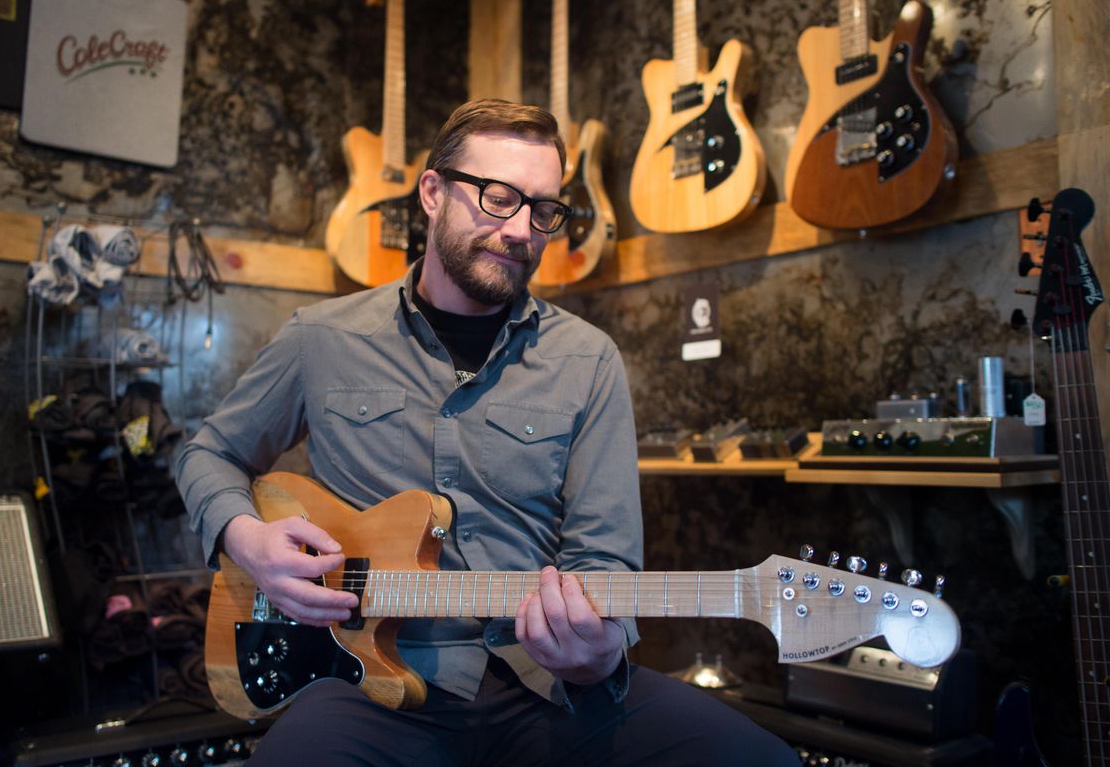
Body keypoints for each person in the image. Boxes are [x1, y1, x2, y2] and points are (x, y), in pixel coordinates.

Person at [176, 98, 797, 766]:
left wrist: (593, 652)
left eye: (543, 210)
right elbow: (208, 452)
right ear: (433, 193)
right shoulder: (320, 338)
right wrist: (250, 539)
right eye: (498, 198)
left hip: (539, 684)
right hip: (362, 682)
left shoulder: (587, 360)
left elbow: (604, 560)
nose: (521, 229)